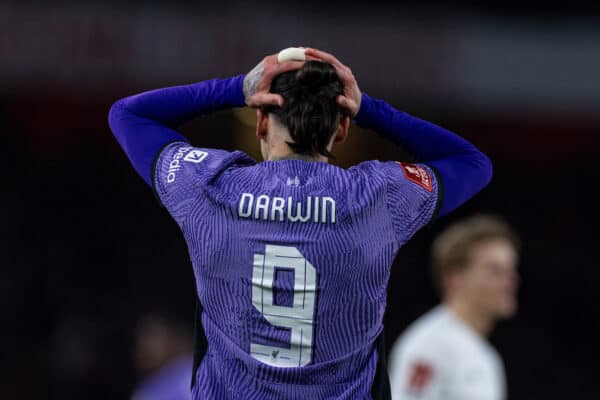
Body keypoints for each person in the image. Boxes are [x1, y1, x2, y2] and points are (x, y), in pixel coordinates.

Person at [108, 47, 492, 399]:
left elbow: (128, 115)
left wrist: (235, 88)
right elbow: (471, 163)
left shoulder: (212, 188)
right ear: (341, 129)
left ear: (260, 121)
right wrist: (369, 109)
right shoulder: (378, 198)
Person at [388, 215, 520, 400]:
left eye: (510, 270)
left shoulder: (486, 355)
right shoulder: (430, 346)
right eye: (494, 271)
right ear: (454, 278)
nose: (510, 281)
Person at [131, 313, 194, 400]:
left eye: (154, 339)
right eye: (144, 343)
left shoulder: (192, 368)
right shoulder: (147, 390)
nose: (149, 348)